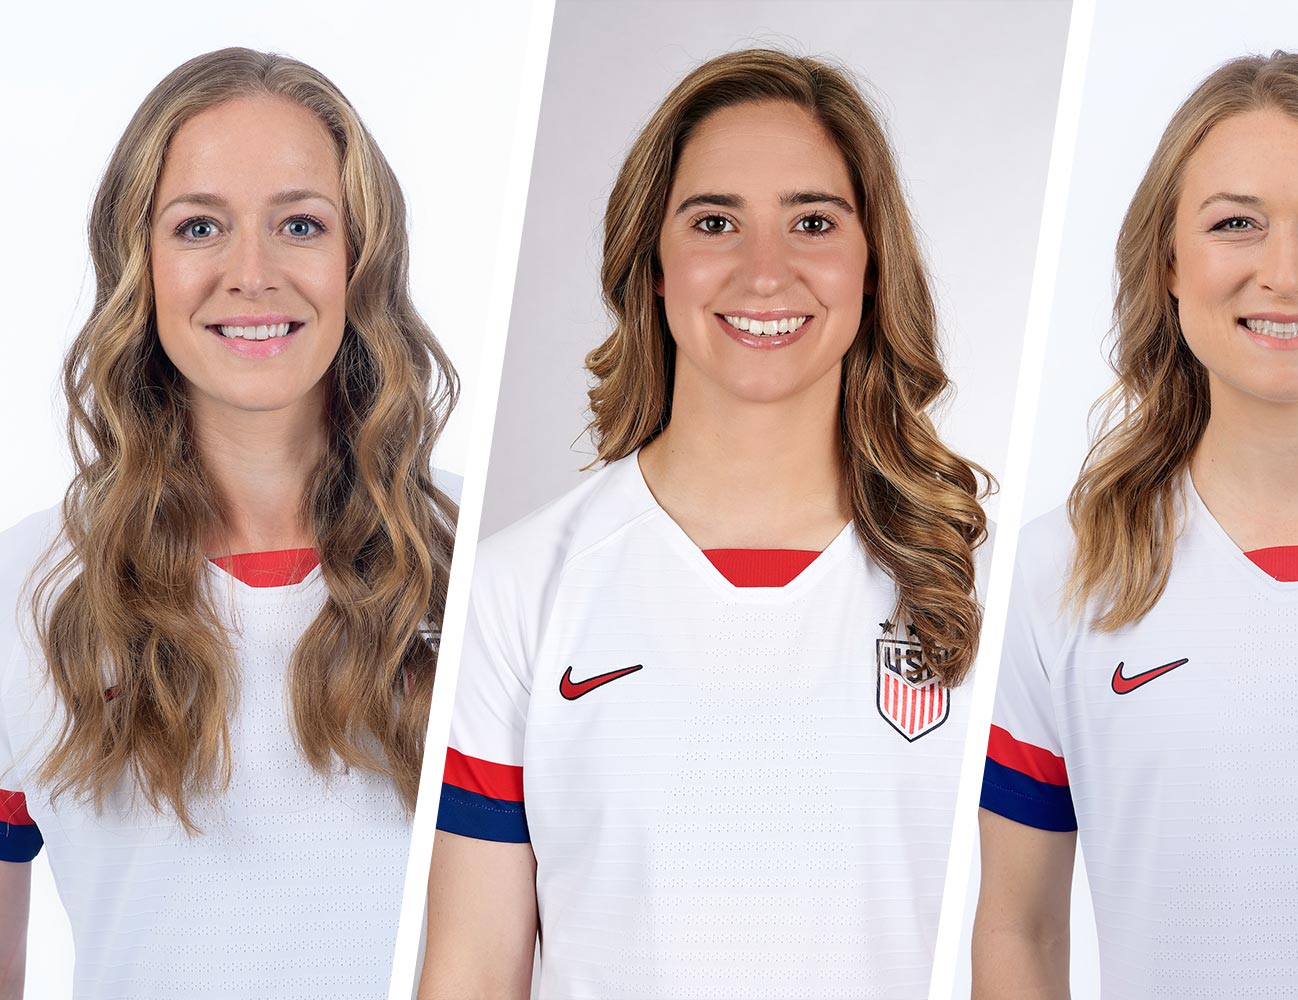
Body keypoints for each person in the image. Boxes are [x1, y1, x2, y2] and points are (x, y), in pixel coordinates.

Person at [421, 48, 990, 998]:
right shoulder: (516, 589)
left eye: (813, 221)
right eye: (715, 222)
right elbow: (472, 973)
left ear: (872, 260)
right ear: (651, 261)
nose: (765, 273)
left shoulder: (977, 584)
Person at [973, 52, 1298, 998]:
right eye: (1236, 224)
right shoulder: (1058, 572)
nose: (1285, 272)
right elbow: (1020, 925)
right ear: (1170, 262)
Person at [0, 47, 457, 999]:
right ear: (139, 262)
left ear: (360, 258)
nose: (251, 274)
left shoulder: (481, 566)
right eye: (200, 225)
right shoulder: (25, 589)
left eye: (299, 223)